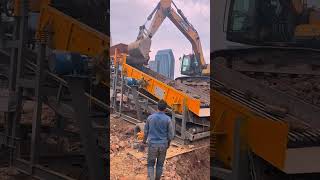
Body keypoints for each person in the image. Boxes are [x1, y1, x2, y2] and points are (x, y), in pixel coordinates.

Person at [143, 99, 174, 180]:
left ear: (157, 107)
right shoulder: (168, 119)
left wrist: (143, 142)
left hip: (152, 144)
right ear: (165, 108)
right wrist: (168, 144)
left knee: (150, 164)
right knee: (160, 165)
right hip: (163, 145)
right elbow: (171, 135)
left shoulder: (150, 118)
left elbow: (145, 132)